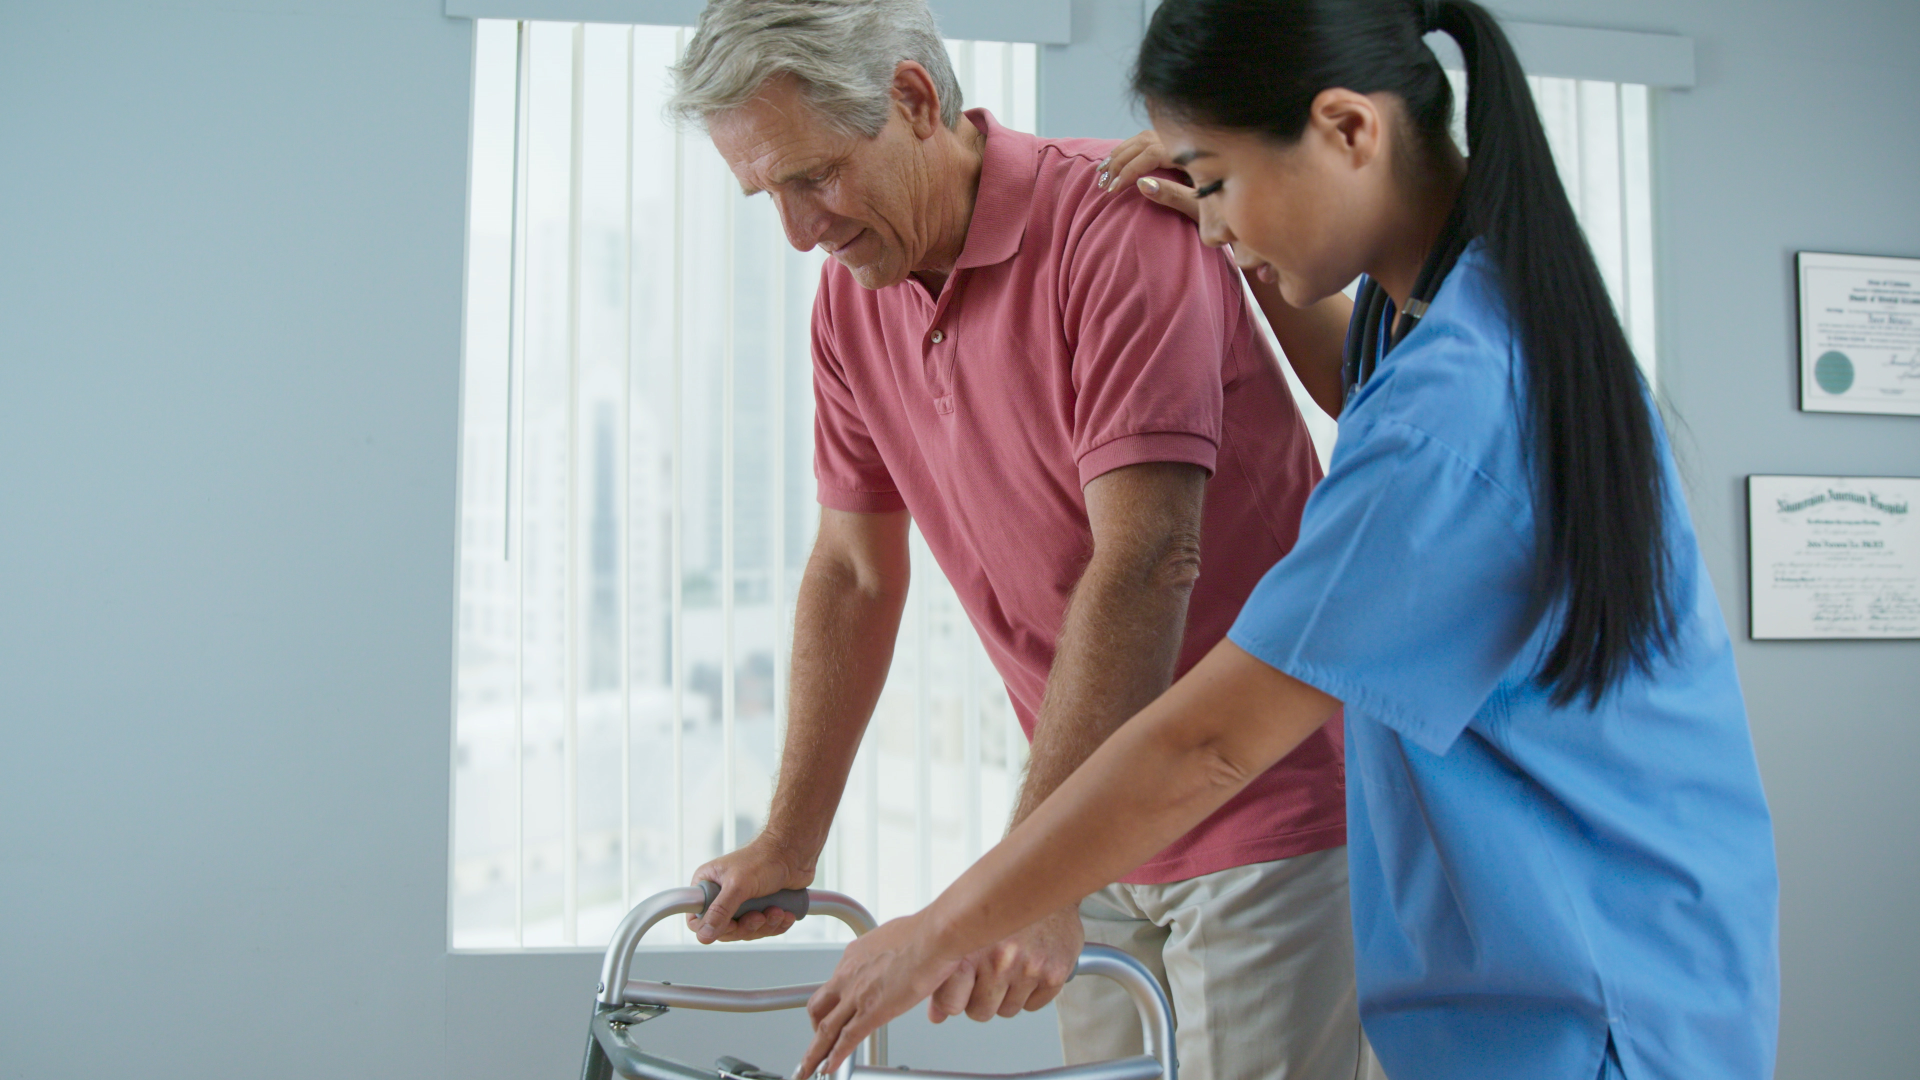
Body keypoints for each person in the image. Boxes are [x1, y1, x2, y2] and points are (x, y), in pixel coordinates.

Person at [796, 1, 1782, 1079]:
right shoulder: (1450, 313)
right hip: (1558, 963)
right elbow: (1357, 391)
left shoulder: (1457, 416)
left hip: (1587, 992)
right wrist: (1243, 230)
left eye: (1215, 180)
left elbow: (1208, 742)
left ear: (1350, 131)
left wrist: (944, 927)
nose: (1209, 228)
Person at [664, 3, 1381, 1079]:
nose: (800, 231)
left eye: (813, 178)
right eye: (769, 195)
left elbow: (1145, 560)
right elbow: (856, 573)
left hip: (1260, 803)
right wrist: (790, 839)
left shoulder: (1115, 225)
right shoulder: (851, 303)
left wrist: (1032, 875)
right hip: (1086, 804)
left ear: (912, 99)